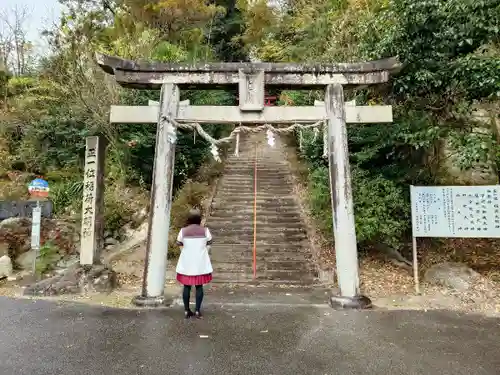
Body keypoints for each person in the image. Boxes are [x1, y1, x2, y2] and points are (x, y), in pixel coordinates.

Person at [175, 209, 213, 319]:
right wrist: (202, 251)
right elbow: (209, 244)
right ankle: (197, 311)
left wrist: (185, 252)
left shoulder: (183, 231)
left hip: (186, 262)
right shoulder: (205, 231)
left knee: (186, 286)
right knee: (199, 286)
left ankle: (187, 311)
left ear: (189, 219)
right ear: (199, 219)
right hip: (200, 262)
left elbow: (180, 244)